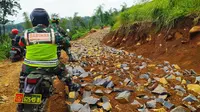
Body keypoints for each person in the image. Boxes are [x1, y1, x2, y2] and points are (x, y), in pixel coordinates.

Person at [18, 8, 80, 94]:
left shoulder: (26, 33)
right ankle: (72, 86)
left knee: (22, 75)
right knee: (63, 71)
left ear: (32, 20)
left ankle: (21, 89)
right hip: (51, 65)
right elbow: (66, 42)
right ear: (47, 20)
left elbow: (21, 44)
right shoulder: (54, 33)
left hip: (29, 66)